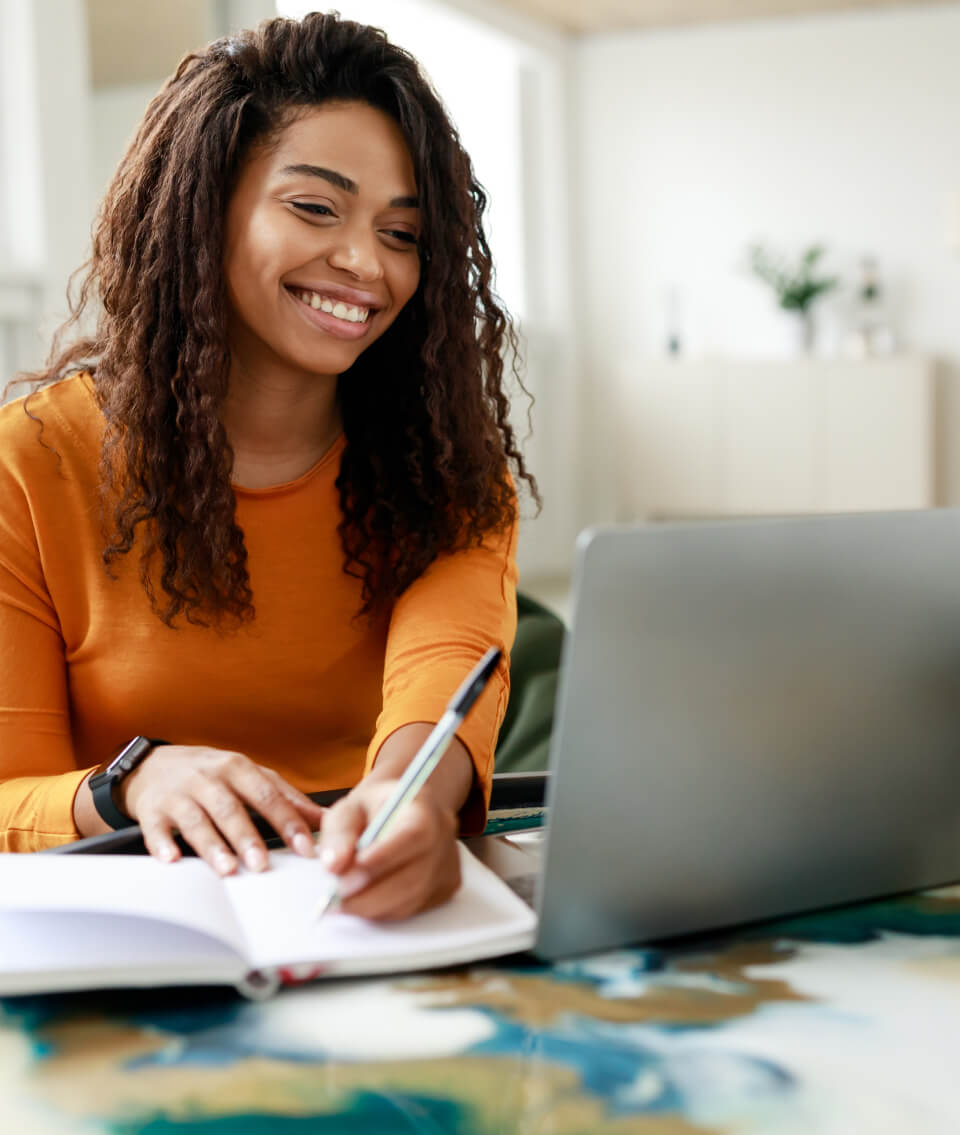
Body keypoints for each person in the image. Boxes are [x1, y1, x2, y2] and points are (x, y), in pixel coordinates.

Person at [0, 12, 537, 921]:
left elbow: (441, 670)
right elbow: (11, 792)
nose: (365, 262)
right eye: (315, 207)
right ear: (202, 208)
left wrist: (412, 802)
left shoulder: (448, 465)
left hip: (366, 915)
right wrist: (129, 783)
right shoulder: (29, 463)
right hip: (130, 935)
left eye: (403, 234)